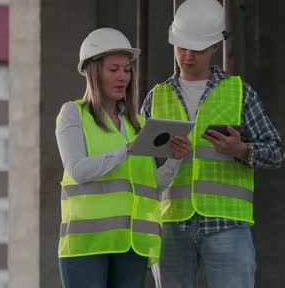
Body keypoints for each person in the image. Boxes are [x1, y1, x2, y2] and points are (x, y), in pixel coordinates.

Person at [140, 0, 285, 288]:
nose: (187, 56)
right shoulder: (156, 97)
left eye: (197, 49)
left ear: (216, 46)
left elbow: (276, 151)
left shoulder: (240, 92)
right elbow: (139, 164)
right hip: (171, 223)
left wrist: (241, 149)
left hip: (226, 224)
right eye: (182, 47)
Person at [55, 27, 191, 288]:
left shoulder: (138, 124)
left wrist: (174, 158)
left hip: (132, 244)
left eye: (127, 70)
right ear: (94, 72)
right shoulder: (73, 114)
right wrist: (126, 150)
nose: (123, 77)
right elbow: (77, 170)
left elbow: (153, 185)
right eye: (114, 69)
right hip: (87, 245)